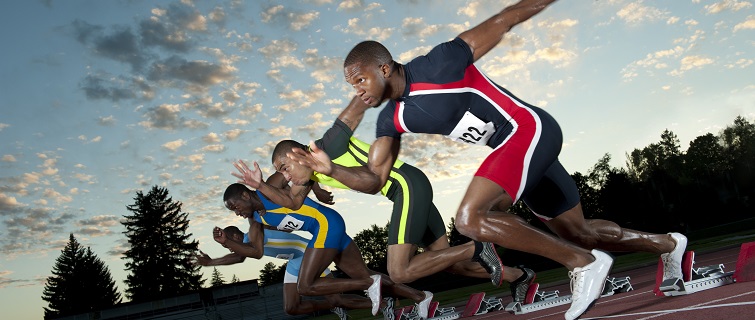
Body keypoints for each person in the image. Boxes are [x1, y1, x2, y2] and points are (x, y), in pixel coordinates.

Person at [285, 0, 686, 319]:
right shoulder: (390, 120)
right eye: (351, 85)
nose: (357, 92)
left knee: (470, 218)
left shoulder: (441, 62)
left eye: (359, 80)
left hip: (529, 131)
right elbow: (375, 180)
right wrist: (332, 169)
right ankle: (669, 245)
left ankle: (583, 265)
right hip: (519, 156)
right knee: (579, 231)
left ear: (384, 67)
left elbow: (507, 18)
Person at [231, 96, 536, 306]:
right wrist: (259, 185)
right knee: (450, 263)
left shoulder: (328, 146)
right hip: (407, 189)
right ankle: (519, 275)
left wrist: (367, 89)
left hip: (406, 185)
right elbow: (292, 204)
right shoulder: (310, 176)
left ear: (298, 155)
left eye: (284, 168)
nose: (285, 176)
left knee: (401, 270)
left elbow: (352, 112)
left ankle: (477, 245)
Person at [223, 182, 434, 319]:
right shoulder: (256, 219)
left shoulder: (268, 188)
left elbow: (301, 169)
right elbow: (257, 252)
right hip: (328, 229)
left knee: (305, 286)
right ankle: (421, 296)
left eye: (235, 206)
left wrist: (317, 189)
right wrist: (227, 243)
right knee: (366, 273)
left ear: (244, 194)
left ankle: (368, 284)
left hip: (325, 225)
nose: (236, 212)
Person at [192, 224, 372, 319]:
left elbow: (239, 256)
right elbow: (239, 254)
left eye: (228, 243)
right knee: (291, 308)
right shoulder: (245, 243)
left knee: (338, 298)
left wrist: (210, 262)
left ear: (237, 237)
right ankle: (333, 306)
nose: (228, 248)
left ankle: (381, 303)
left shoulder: (253, 235)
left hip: (308, 254)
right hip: (294, 261)